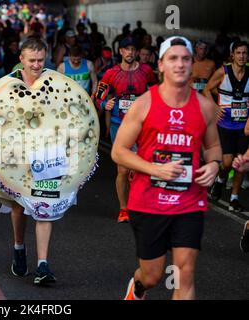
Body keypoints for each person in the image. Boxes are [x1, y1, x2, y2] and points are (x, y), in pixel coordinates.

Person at [112, 36, 222, 300]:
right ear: (160, 65)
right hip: (148, 202)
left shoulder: (205, 107)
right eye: (173, 58)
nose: (180, 64)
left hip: (188, 201)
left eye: (186, 58)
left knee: (185, 273)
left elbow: (213, 147)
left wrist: (215, 165)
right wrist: (154, 169)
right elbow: (118, 151)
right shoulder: (143, 104)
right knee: (153, 276)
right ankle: (137, 287)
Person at [7, 38, 60, 285]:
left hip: (47, 152)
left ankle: (42, 265)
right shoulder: (8, 83)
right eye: (32, 61)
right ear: (21, 59)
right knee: (19, 206)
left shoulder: (55, 81)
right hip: (17, 151)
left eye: (41, 60)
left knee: (44, 206)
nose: (37, 65)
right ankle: (19, 247)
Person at [95, 37, 157, 223]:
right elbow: (98, 96)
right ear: (120, 51)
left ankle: (141, 205)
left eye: (133, 49)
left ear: (136, 52)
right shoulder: (111, 73)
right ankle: (124, 209)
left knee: (141, 168)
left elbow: (157, 92)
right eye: (126, 49)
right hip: (118, 125)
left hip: (140, 125)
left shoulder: (146, 71)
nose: (130, 52)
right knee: (122, 170)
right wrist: (106, 103)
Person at [205, 41, 249, 212]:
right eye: (239, 53)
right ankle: (220, 179)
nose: (242, 56)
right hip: (225, 124)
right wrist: (214, 107)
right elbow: (207, 89)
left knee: (241, 162)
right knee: (227, 162)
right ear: (233, 55)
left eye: (245, 53)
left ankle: (234, 198)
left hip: (243, 126)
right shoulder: (223, 71)